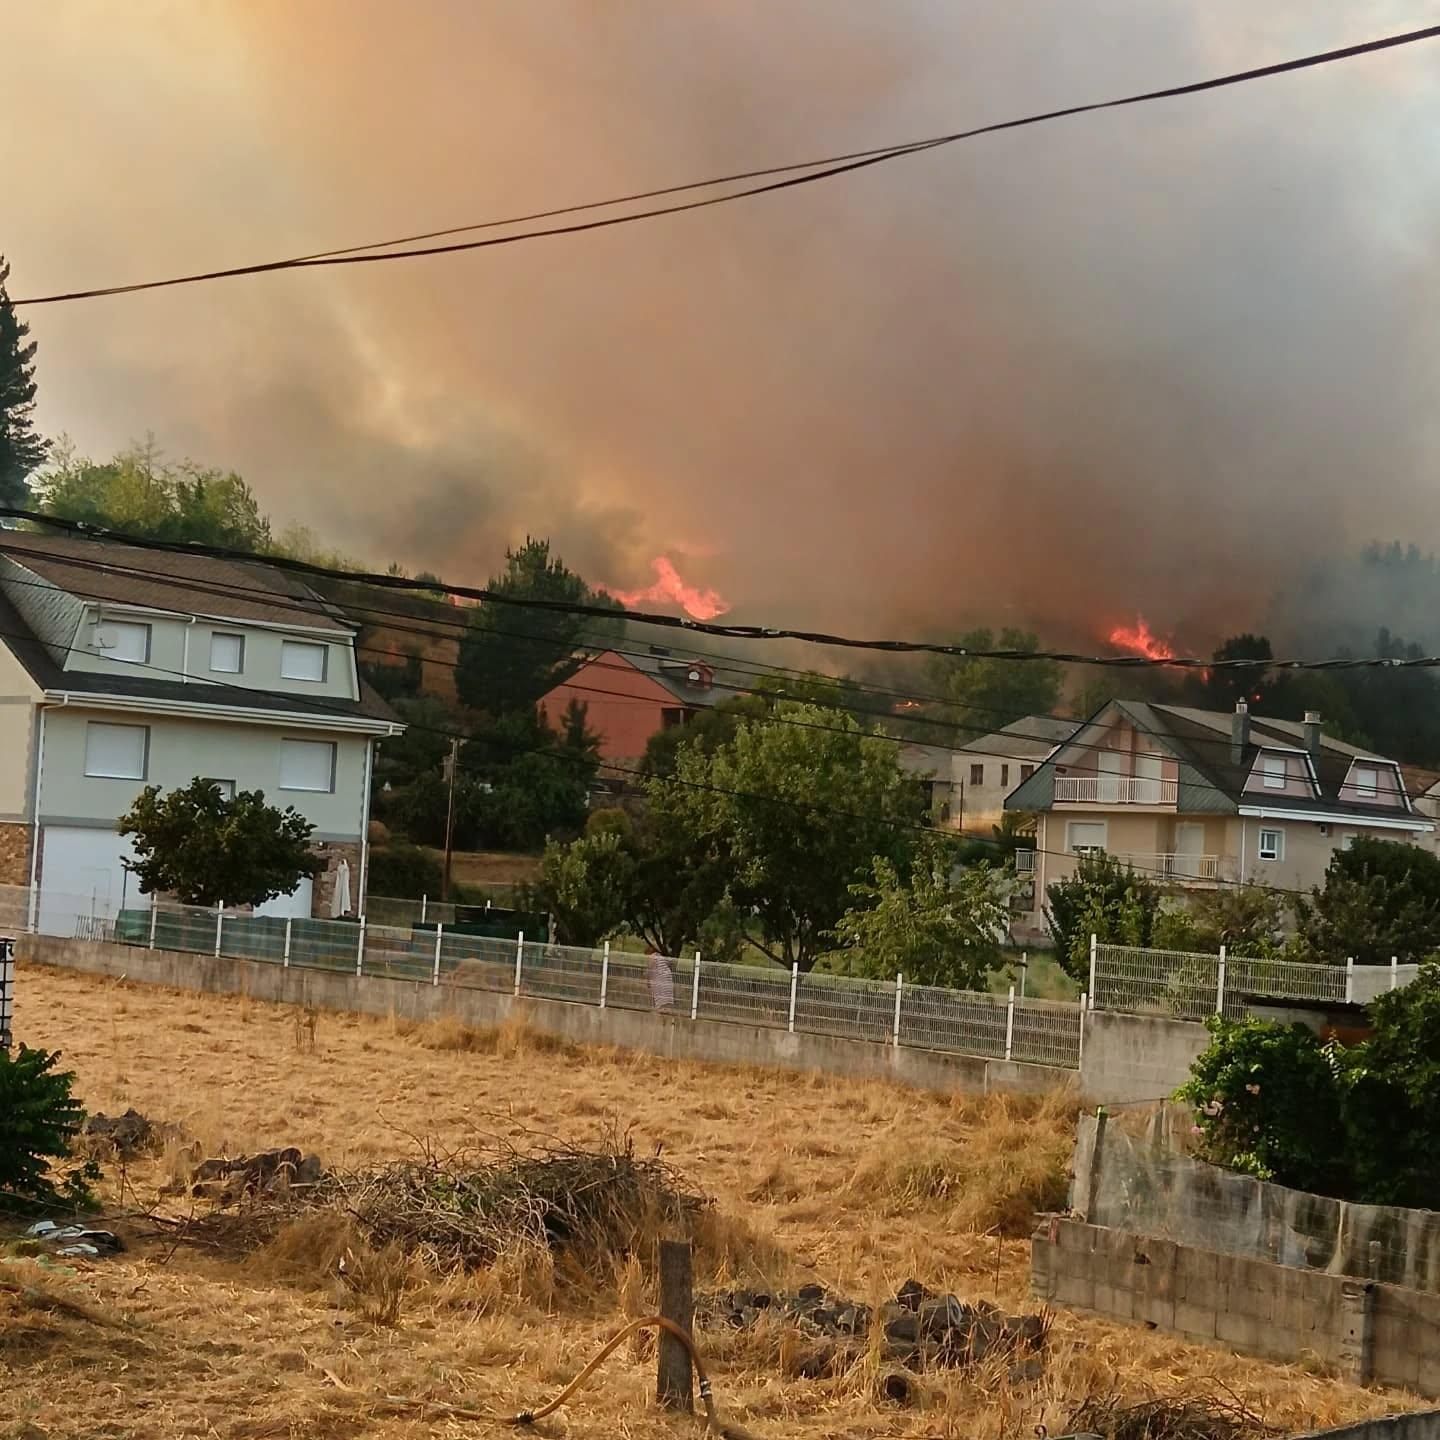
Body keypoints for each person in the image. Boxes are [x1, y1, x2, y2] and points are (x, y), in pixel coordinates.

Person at [647, 947, 675, 1013]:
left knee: (659, 998)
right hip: (667, 980)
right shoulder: (663, 957)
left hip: (659, 980)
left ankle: (659, 1012)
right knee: (667, 999)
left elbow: (650, 969)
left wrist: (648, 980)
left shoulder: (653, 956)